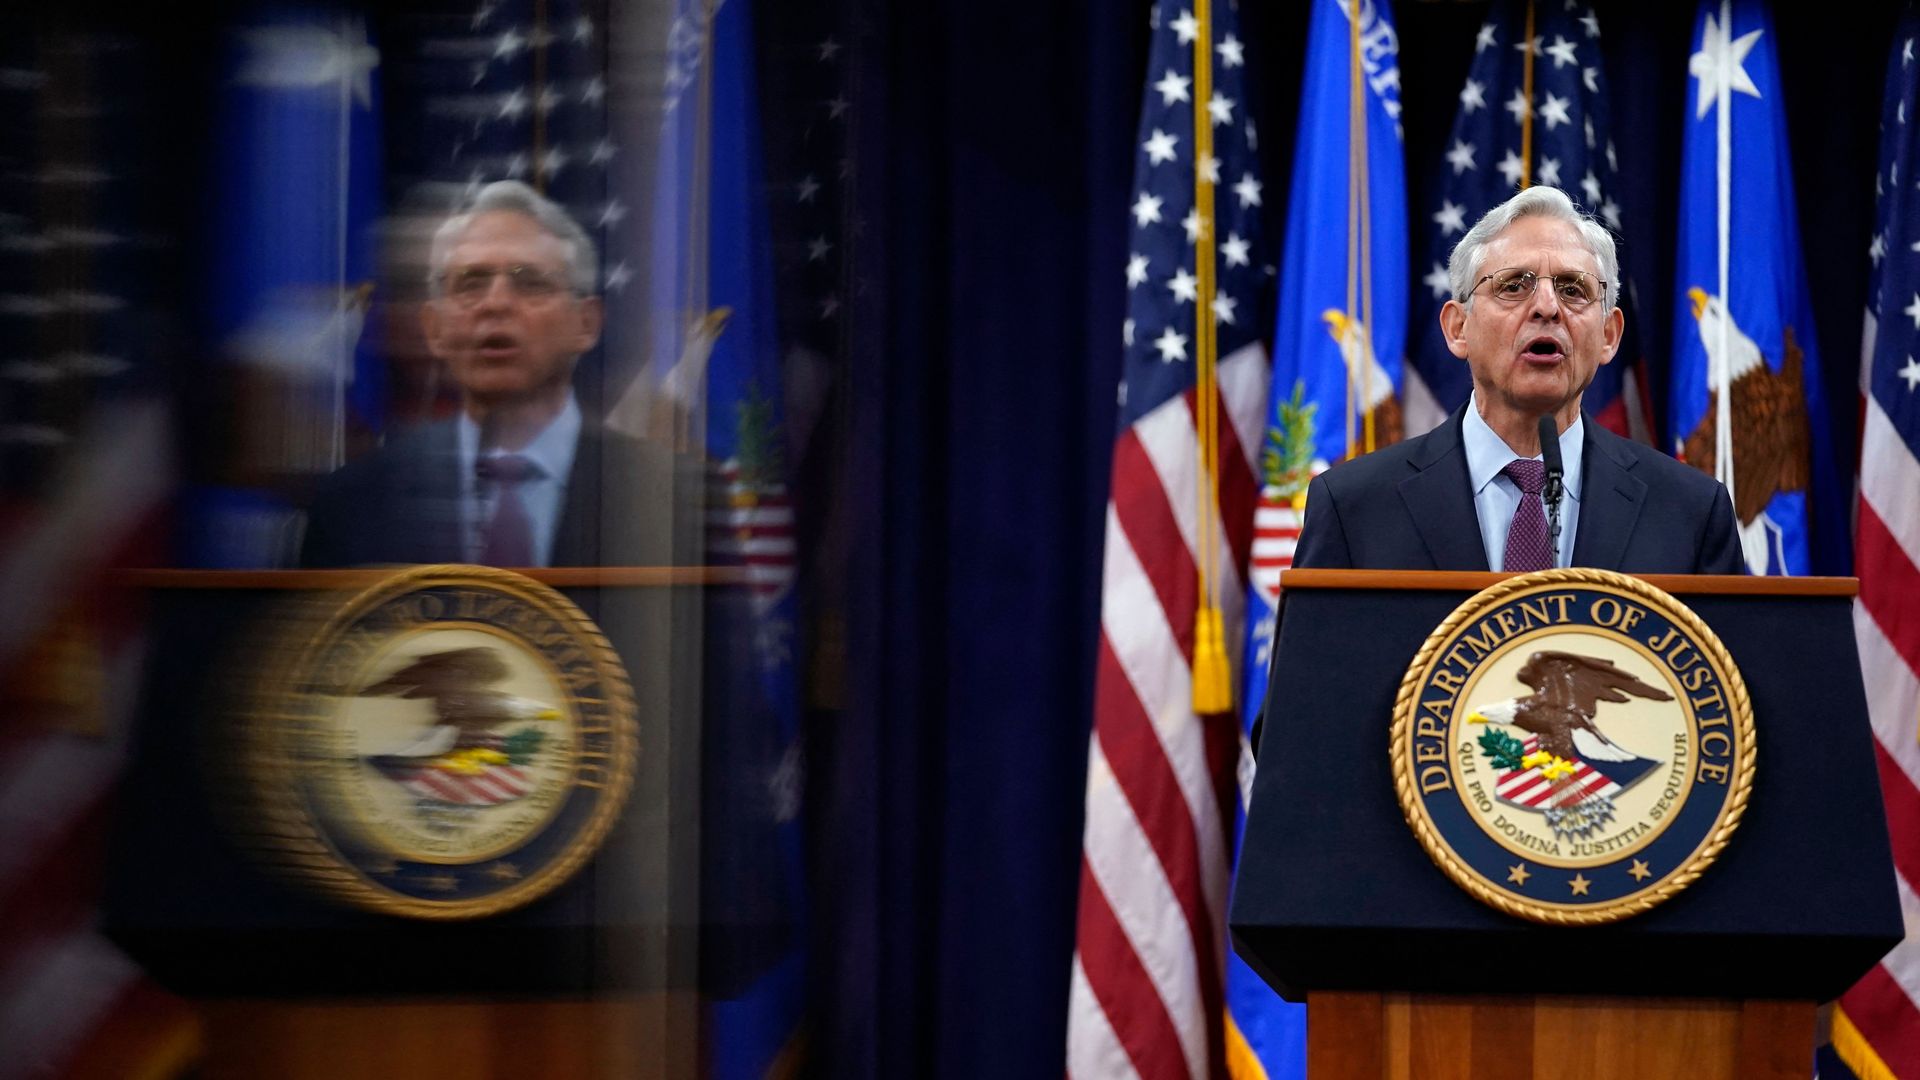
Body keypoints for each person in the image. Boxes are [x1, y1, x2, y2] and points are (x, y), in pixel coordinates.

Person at [1291, 186, 1745, 575]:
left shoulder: (1690, 514)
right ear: (1457, 328)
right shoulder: (1354, 508)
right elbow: (1319, 678)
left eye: (1573, 289)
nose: (1547, 306)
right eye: (1513, 285)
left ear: (1609, 336)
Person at [301, 181, 675, 569]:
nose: (496, 303)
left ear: (586, 323)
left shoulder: (673, 497)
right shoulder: (353, 503)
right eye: (471, 283)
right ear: (434, 328)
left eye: (530, 282)